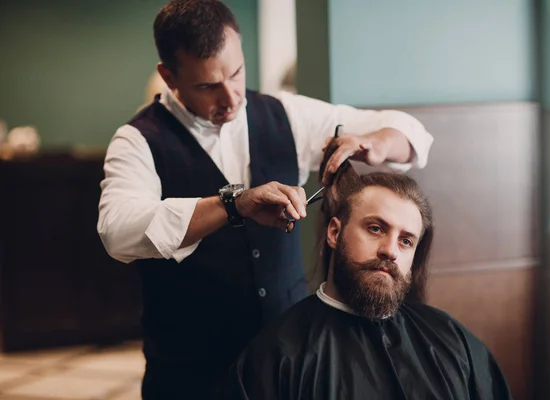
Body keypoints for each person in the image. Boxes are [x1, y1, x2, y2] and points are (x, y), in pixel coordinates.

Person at [96, 0, 433, 397]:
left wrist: (372, 142)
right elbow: (118, 231)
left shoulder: (284, 114)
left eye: (237, 73)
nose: (231, 97)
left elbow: (408, 131)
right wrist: (232, 205)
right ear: (169, 76)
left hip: (288, 363)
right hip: (190, 370)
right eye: (207, 86)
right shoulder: (137, 140)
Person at [216, 145, 512, 400]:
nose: (390, 250)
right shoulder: (278, 357)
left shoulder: (452, 341)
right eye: (375, 228)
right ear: (334, 232)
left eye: (405, 241)